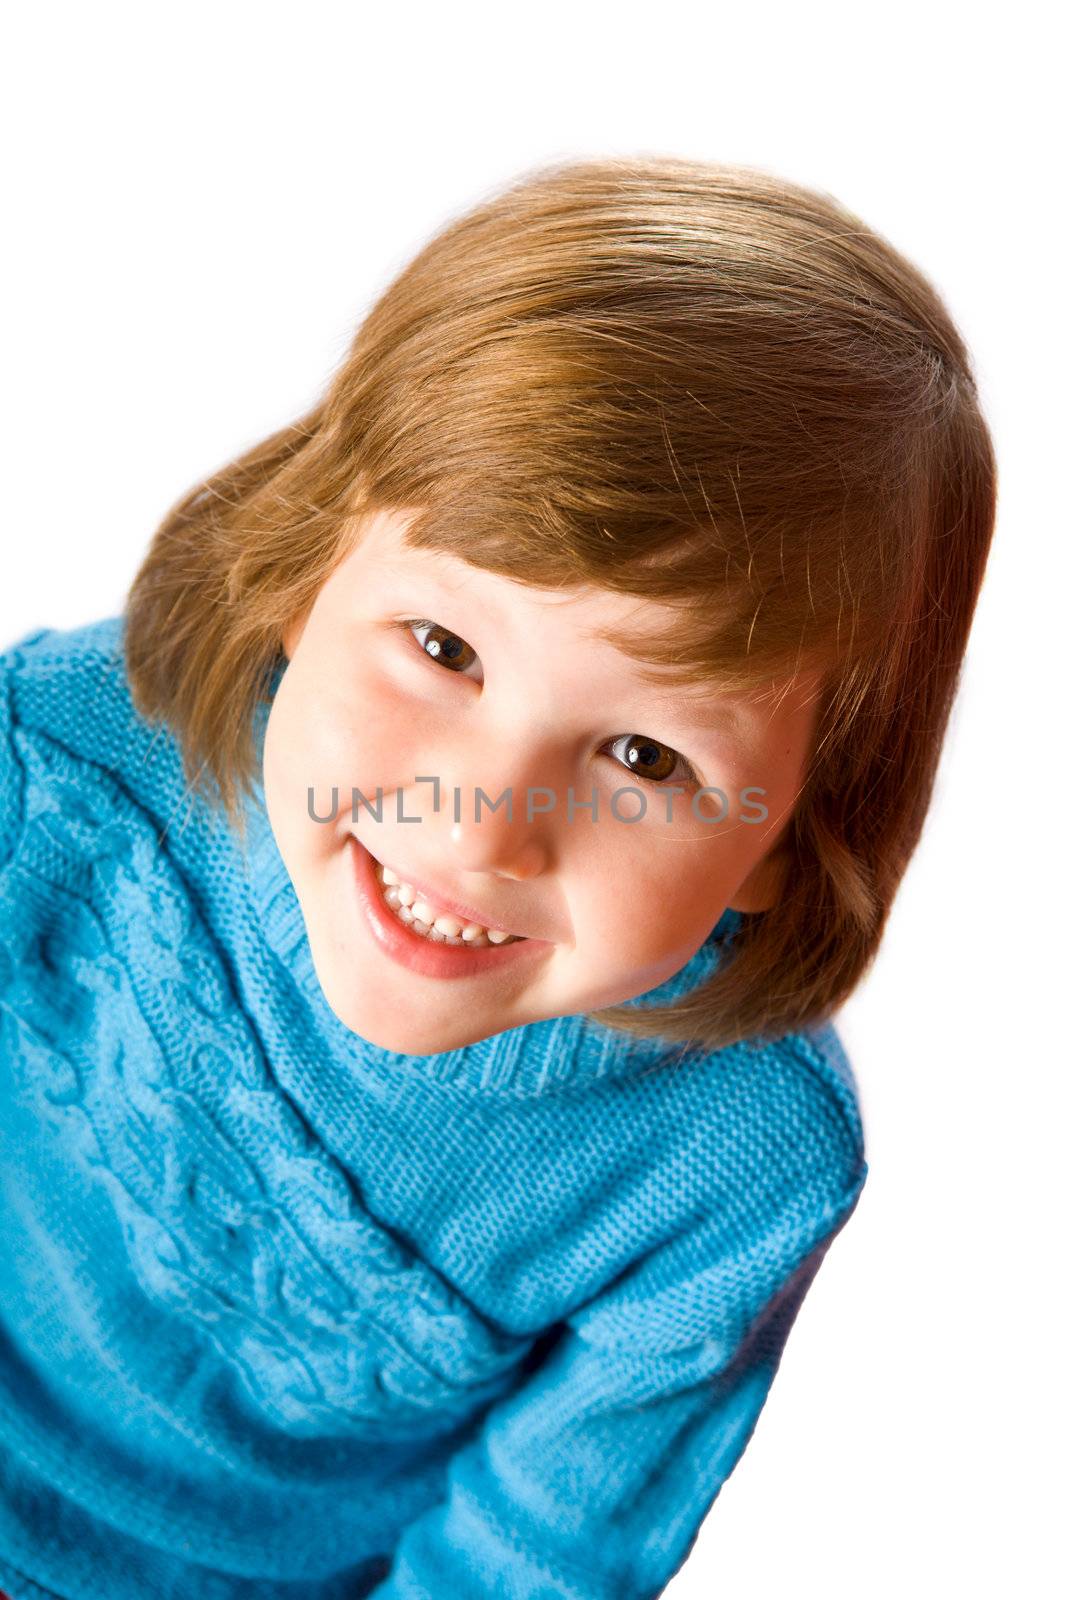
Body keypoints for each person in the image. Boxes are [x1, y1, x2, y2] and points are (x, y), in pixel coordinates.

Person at [0, 154, 996, 1599]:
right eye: (446, 651)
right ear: (298, 567)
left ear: (796, 839)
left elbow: (529, 1557)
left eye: (647, 760)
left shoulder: (730, 1163)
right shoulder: (73, 761)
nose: (481, 832)